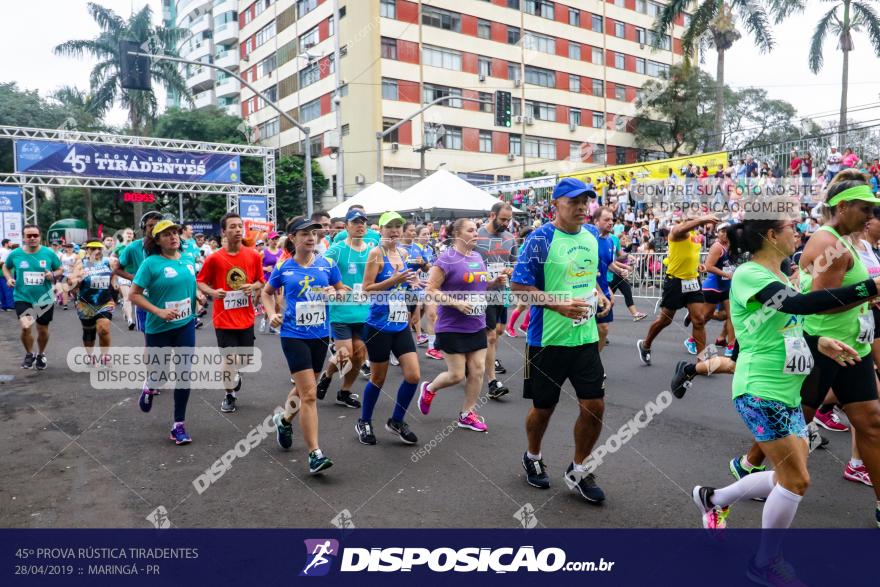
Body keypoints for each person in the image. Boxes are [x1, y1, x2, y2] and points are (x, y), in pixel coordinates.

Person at [690, 212, 877, 584]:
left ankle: (713, 499)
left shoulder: (778, 275)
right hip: (760, 391)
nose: (799, 233)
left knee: (785, 477)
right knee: (797, 480)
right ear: (772, 235)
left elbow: (793, 325)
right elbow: (801, 306)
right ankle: (764, 562)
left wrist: (820, 341)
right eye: (792, 228)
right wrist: (870, 288)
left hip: (787, 392)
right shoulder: (749, 274)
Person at [511, 178, 610, 502]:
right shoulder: (539, 240)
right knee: (543, 408)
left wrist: (599, 295)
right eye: (574, 201)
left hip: (584, 336)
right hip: (546, 340)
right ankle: (533, 456)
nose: (582, 207)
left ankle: (579, 469)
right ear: (556, 204)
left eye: (586, 201)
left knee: (594, 406)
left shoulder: (593, 235)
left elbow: (587, 274)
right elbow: (519, 287)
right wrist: (557, 303)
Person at [262, 216, 346, 474]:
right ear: (293, 238)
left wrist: (336, 293)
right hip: (293, 335)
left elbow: (342, 289)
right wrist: (271, 313)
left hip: (320, 335)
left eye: (314, 233)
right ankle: (315, 454)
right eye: (304, 233)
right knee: (309, 394)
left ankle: (284, 419)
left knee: (302, 390)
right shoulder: (284, 268)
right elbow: (266, 292)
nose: (311, 237)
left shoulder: (327, 264)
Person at [418, 218, 497, 431]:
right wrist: (457, 303)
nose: (475, 234)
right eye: (470, 230)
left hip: (476, 322)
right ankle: (430, 388)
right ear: (457, 234)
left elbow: (480, 283)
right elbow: (431, 290)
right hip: (452, 325)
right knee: (456, 375)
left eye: (476, 230)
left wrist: (494, 282)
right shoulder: (446, 259)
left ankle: (467, 413)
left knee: (478, 369)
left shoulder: (478, 256)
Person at [129, 220, 201, 445]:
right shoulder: (150, 264)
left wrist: (198, 296)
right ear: (157, 241)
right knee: (160, 374)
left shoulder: (188, 259)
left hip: (185, 324)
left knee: (184, 374)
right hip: (159, 327)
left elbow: (189, 283)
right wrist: (158, 311)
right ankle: (150, 386)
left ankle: (178, 425)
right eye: (167, 234)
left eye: (175, 233)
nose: (173, 237)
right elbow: (134, 294)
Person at [356, 211, 421, 446]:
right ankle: (364, 421)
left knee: (413, 376)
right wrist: (393, 281)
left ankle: (397, 420)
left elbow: (402, 285)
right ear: (380, 230)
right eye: (390, 227)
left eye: (398, 227)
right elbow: (367, 288)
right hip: (378, 326)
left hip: (400, 323)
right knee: (378, 379)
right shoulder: (376, 254)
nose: (395, 231)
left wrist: (413, 282)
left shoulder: (402, 253)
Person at [197, 212, 264, 413]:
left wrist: (253, 286)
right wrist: (212, 292)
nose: (237, 230)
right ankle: (229, 395)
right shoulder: (214, 259)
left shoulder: (253, 255)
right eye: (232, 226)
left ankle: (236, 375)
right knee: (229, 359)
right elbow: (200, 281)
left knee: (243, 360)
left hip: (246, 317)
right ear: (223, 231)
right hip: (223, 318)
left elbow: (261, 280)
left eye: (239, 226)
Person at [637, 212, 719, 365]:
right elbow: (680, 230)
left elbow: (688, 255)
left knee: (699, 320)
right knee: (665, 320)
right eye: (690, 219)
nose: (693, 222)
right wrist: (701, 219)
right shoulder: (676, 232)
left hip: (693, 281)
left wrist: (698, 266)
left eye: (695, 219)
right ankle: (645, 344)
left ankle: (703, 361)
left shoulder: (696, 236)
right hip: (675, 282)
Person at [317, 208, 372, 409]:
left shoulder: (372, 249)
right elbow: (319, 270)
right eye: (355, 222)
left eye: (363, 221)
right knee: (345, 353)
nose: (360, 225)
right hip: (341, 310)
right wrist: (330, 286)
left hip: (364, 310)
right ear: (347, 226)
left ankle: (345, 391)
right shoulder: (337, 249)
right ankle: (328, 374)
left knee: (359, 355)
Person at [3, 224, 63, 370]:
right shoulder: (16, 254)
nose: (32, 238)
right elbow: (5, 266)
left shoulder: (48, 253)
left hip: (44, 298)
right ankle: (29, 353)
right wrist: (8, 278)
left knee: (42, 329)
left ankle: (41, 354)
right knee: (25, 326)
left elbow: (60, 269)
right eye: (28, 236)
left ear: (40, 237)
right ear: (24, 237)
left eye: (35, 235)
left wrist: (53, 275)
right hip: (22, 297)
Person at [474, 202, 517, 399]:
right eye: (503, 219)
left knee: (498, 332)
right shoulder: (477, 237)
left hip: (502, 291)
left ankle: (476, 361)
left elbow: (514, 262)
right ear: (492, 215)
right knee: (490, 336)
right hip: (483, 293)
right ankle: (492, 382)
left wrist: (511, 269)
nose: (506, 223)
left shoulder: (510, 238)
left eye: (509, 220)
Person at [684, 223, 736, 356]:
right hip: (713, 287)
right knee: (704, 318)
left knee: (731, 316)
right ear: (717, 233)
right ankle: (691, 340)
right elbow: (708, 266)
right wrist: (726, 274)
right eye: (722, 231)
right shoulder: (717, 247)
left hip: (726, 287)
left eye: (727, 231)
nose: (724, 234)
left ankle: (731, 346)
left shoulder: (730, 246)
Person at [67, 241, 116, 367]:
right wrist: (76, 280)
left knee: (104, 329)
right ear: (87, 250)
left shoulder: (108, 261)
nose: (97, 251)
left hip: (105, 301)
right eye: (93, 248)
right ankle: (90, 355)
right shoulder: (81, 264)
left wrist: (115, 282)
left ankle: (105, 356)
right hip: (85, 303)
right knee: (89, 332)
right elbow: (71, 282)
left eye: (99, 248)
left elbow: (116, 272)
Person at [115, 212, 164, 332]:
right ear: (143, 228)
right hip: (143, 299)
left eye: (158, 225)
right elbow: (117, 269)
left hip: (165, 297)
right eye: (150, 225)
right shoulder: (133, 247)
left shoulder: (167, 245)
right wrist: (134, 278)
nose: (154, 228)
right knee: (150, 339)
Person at [58, 243, 78, 309]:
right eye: (68, 247)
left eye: (70, 247)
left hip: (73, 275)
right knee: (65, 290)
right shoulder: (62, 256)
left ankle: (76, 300)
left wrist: (74, 267)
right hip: (64, 275)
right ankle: (65, 305)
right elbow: (59, 265)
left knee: (73, 290)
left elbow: (79, 265)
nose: (69, 249)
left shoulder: (75, 256)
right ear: (65, 248)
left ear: (73, 248)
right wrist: (61, 269)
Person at [0, 239, 15, 311]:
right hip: (5, 273)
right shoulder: (5, 251)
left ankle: (4, 306)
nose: (11, 244)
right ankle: (9, 306)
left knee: (2, 290)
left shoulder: (1, 250)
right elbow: (2, 262)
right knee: (8, 289)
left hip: (1, 274)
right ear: (6, 244)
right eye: (10, 243)